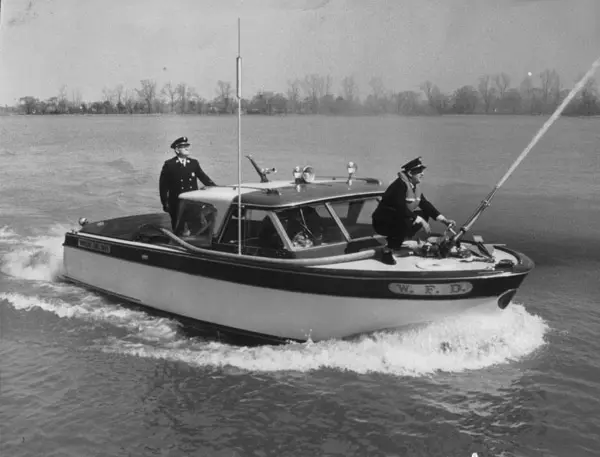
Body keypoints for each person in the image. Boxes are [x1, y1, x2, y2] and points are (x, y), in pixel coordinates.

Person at [371, 157, 455, 265]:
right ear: (410, 173)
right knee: (406, 219)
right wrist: (420, 220)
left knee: (424, 213)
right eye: (419, 171)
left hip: (397, 218)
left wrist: (444, 220)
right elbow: (400, 209)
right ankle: (387, 250)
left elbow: (425, 204)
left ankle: (401, 239)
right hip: (382, 223)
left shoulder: (414, 187)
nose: (422, 174)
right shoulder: (398, 186)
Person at [159, 136, 217, 230]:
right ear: (177, 150)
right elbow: (163, 187)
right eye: (183, 146)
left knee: (195, 227)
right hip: (177, 204)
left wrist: (217, 189)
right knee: (178, 228)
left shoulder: (194, 163)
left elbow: (204, 178)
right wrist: (165, 203)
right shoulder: (170, 165)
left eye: (187, 146)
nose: (187, 148)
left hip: (192, 202)